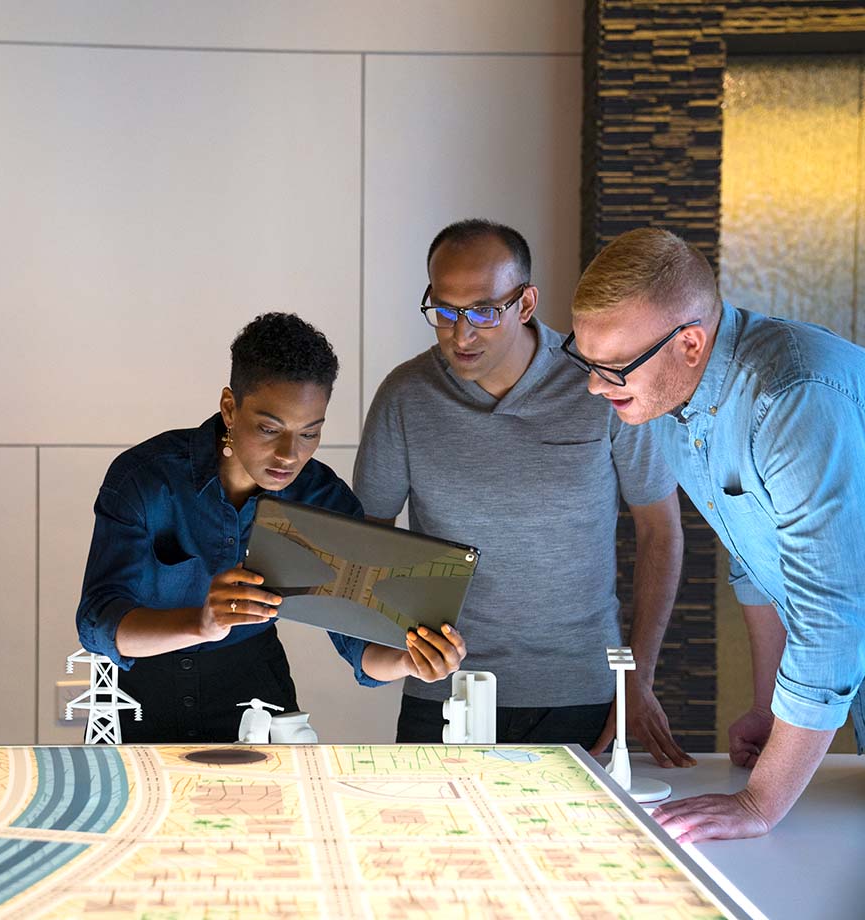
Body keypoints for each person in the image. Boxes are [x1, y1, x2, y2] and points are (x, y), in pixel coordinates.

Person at [353, 219, 692, 765]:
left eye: (484, 311)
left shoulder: (602, 386)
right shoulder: (405, 396)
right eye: (445, 310)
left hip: (581, 694)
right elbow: (366, 538)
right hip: (444, 694)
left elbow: (661, 530)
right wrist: (389, 651)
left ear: (527, 303)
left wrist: (640, 675)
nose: (461, 334)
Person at [568, 226, 865, 841]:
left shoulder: (789, 397)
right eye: (585, 358)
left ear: (691, 343)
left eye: (614, 367)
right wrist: (766, 707)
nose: (596, 386)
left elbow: (833, 619)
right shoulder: (673, 406)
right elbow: (756, 569)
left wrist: (759, 802)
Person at [76, 312, 466, 742]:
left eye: (309, 434)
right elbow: (98, 623)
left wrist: (409, 661)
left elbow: (359, 645)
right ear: (230, 408)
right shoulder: (146, 479)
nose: (288, 455)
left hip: (255, 699)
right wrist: (199, 623)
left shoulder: (321, 500)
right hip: (134, 700)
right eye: (269, 428)